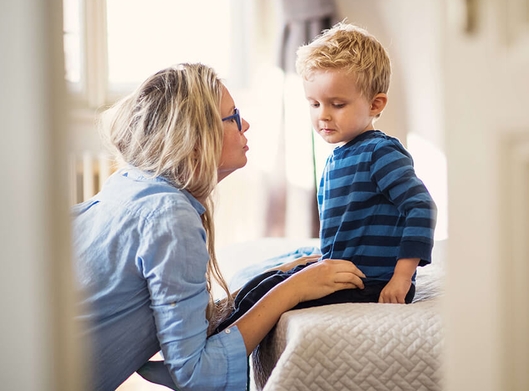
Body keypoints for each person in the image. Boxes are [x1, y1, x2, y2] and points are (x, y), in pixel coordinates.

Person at [72, 63, 366, 391]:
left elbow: (187, 319)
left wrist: (278, 276)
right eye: (233, 116)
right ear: (196, 140)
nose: (246, 124)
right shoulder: (169, 216)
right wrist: (293, 289)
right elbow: (196, 374)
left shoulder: (129, 185)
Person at [212, 22, 437, 332]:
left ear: (375, 104)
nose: (323, 115)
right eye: (314, 104)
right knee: (266, 281)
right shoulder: (339, 156)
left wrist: (401, 277)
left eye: (337, 104)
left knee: (272, 294)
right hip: (344, 272)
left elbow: (421, 207)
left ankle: (213, 345)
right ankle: (207, 334)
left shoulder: (379, 153)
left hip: (369, 282)